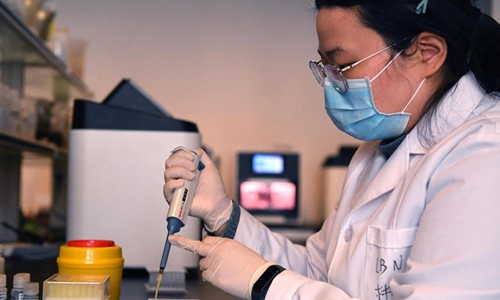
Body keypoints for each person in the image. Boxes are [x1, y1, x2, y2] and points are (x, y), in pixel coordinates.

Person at [163, 0, 500, 299]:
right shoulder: (380, 150)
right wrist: (223, 214)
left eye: (344, 65)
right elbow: (319, 271)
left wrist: (263, 282)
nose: (331, 83)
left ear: (427, 53)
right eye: (325, 67)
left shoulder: (484, 157)